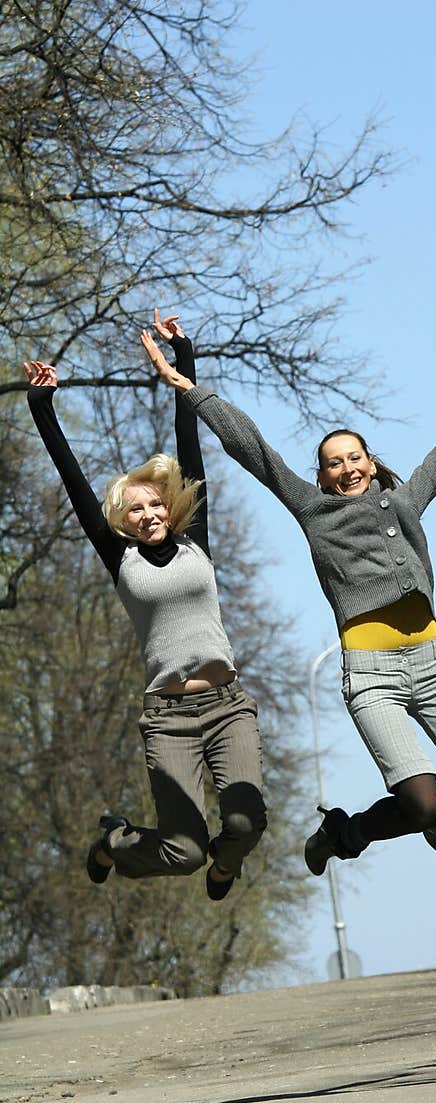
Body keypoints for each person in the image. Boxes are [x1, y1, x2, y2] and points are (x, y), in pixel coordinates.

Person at [141, 327, 436, 874]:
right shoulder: (312, 510)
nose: (346, 468)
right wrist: (188, 386)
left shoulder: (405, 500)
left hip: (435, 665)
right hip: (373, 677)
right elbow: (249, 445)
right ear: (322, 476)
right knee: (420, 802)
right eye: (333, 463)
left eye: (354, 458)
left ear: (370, 463)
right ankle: (343, 833)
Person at [24, 310, 267, 900]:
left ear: (171, 505)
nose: (150, 514)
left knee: (243, 824)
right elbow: (75, 480)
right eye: (136, 509)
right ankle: (115, 843)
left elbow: (190, 441)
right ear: (122, 520)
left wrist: (184, 359)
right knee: (182, 851)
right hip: (169, 719)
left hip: (227, 705)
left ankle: (226, 865)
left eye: (156, 504)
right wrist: (42, 407)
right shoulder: (120, 557)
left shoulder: (196, 537)